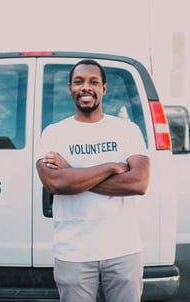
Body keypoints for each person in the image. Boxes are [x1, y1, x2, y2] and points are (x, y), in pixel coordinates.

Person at [36, 59, 150, 302]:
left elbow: (138, 182)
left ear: (104, 89)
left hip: (123, 249)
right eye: (78, 82)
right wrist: (112, 167)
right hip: (73, 252)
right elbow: (55, 183)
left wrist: (72, 173)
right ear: (70, 89)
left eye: (93, 82)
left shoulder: (127, 130)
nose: (86, 87)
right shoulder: (53, 133)